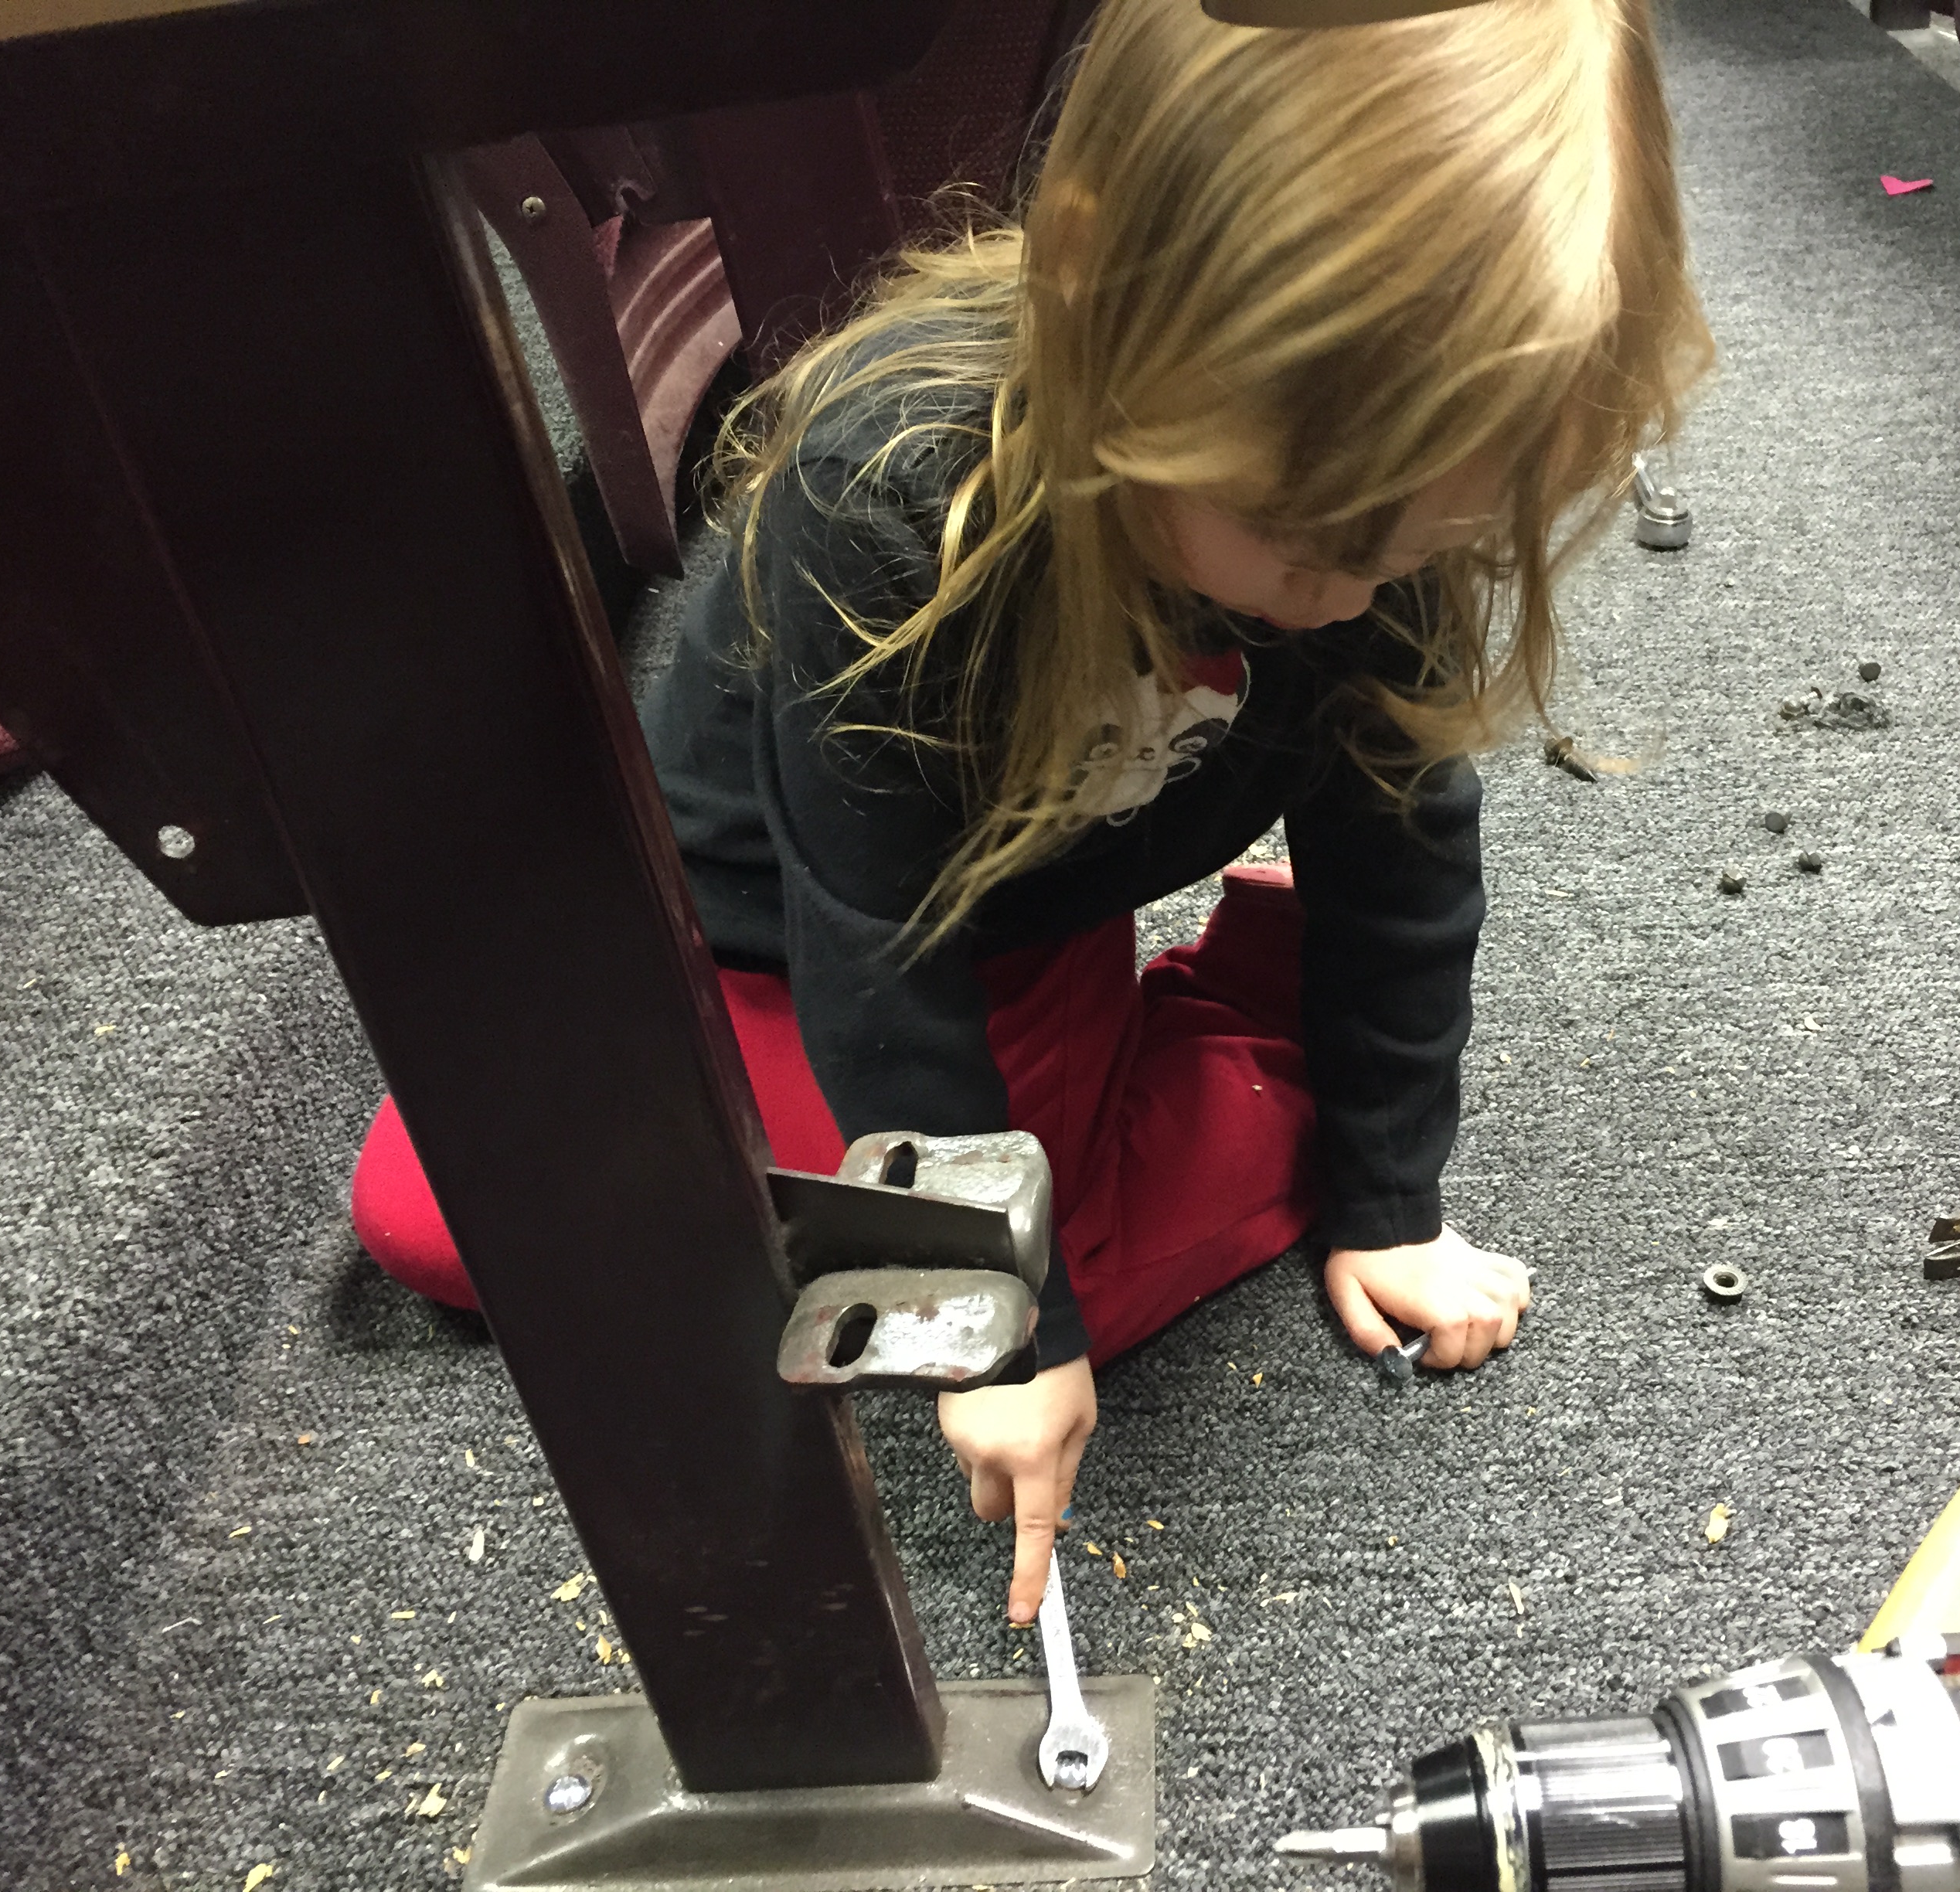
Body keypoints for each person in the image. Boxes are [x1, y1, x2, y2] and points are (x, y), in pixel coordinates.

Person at [349, 0, 1710, 1625]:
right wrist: (989, 1323)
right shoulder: (892, 499)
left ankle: (1261, 1035)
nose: (1352, 599)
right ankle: (1251, 1033)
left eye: (1414, 549)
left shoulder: (1370, 507)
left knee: (1075, 1278)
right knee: (432, 1214)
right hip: (841, 918)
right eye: (1302, 534)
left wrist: (1389, 1198)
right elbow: (876, 945)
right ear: (1097, 289)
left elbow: (1405, 843)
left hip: (1022, 921)